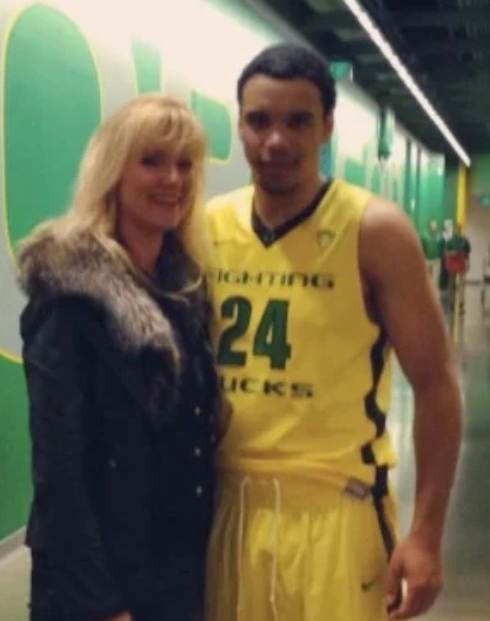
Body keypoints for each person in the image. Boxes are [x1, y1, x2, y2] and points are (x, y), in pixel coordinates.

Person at [204, 44, 463, 621]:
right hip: (229, 507)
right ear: (239, 125)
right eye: (259, 120)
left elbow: (437, 384)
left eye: (298, 122)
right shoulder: (207, 224)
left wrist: (425, 534)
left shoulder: (374, 230)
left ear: (326, 127)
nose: (276, 140)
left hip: (336, 510)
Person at [17, 94, 219, 621]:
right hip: (100, 580)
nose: (173, 179)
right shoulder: (70, 296)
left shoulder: (186, 289)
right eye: (152, 161)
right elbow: (59, 469)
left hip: (175, 569)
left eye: (185, 164)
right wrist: (101, 605)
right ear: (113, 172)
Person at [444, 223, 471, 313]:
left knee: (461, 285)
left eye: (459, 229)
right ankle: (452, 303)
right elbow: (446, 252)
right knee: (452, 285)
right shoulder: (450, 241)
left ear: (460, 230)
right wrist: (451, 253)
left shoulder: (464, 241)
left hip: (461, 264)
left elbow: (467, 253)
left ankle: (461, 303)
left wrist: (468, 263)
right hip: (452, 264)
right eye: (456, 229)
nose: (457, 231)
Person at [420, 219, 443, 288]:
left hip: (436, 260)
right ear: (430, 227)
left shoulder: (439, 236)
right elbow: (422, 247)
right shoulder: (425, 236)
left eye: (435, 226)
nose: (434, 227)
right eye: (433, 226)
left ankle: (434, 293)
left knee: (435, 279)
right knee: (427, 279)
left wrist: (440, 256)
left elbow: (442, 247)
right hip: (427, 260)